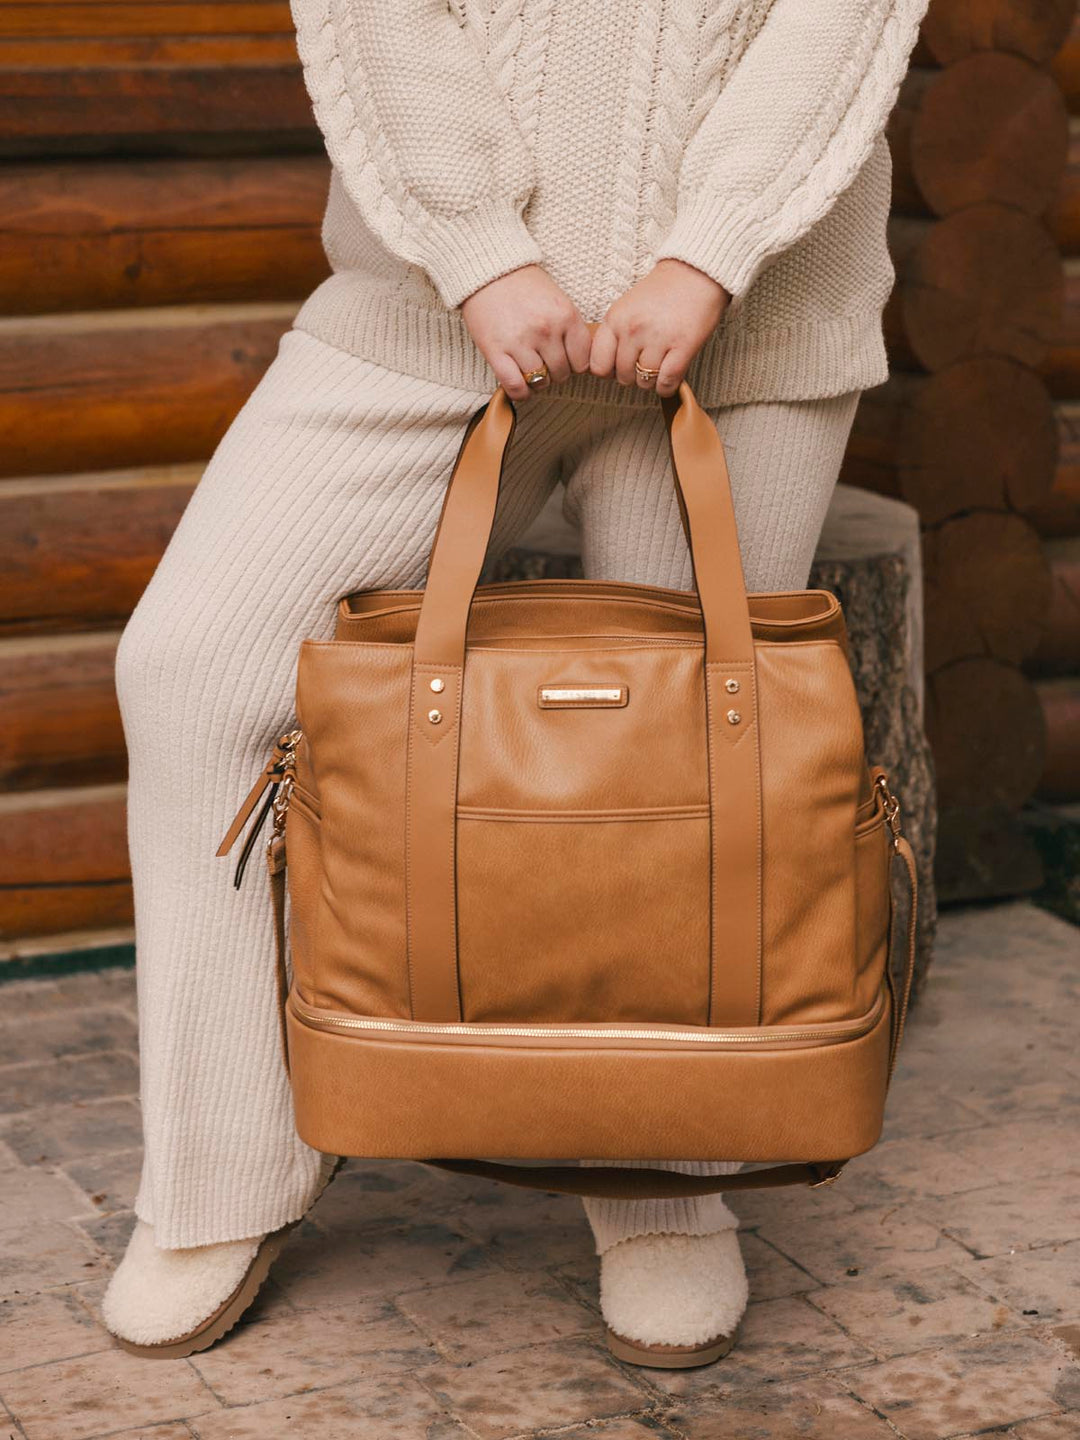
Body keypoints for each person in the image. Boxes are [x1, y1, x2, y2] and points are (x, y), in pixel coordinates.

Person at [102, 0, 926, 1364]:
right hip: (436, 303)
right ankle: (222, 1173)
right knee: (192, 672)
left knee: (676, 776)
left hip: (749, 311)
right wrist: (479, 251)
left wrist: (706, 255)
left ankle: (660, 1187)